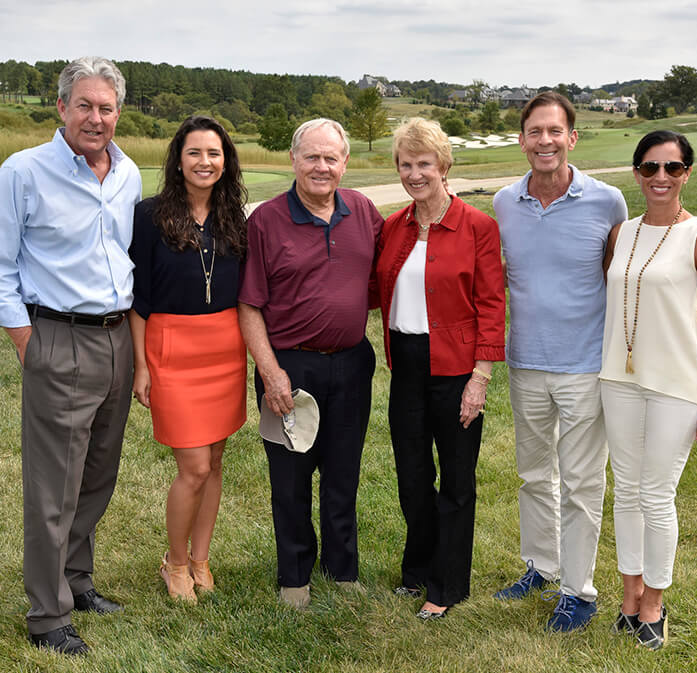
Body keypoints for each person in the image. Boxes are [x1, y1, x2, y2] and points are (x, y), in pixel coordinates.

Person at [0, 57, 140, 655]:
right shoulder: (24, 172)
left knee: (97, 474)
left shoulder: (128, 175)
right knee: (54, 486)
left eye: (106, 107)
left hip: (117, 338)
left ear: (118, 112)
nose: (96, 118)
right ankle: (48, 616)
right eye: (85, 106)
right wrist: (30, 345)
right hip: (57, 338)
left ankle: (77, 582)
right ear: (62, 107)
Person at [492, 92, 628, 631]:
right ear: (522, 139)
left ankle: (580, 590)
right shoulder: (505, 203)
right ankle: (541, 567)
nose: (544, 141)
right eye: (534, 132)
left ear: (572, 138)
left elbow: (617, 280)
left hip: (583, 366)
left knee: (580, 482)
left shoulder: (608, 201)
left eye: (555, 132)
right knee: (532, 475)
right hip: (525, 361)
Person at [238, 118, 383, 609]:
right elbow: (249, 305)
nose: (322, 167)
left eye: (331, 158)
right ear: (293, 161)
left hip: (352, 363)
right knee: (292, 477)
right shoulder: (266, 220)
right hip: (291, 369)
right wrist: (270, 372)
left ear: (344, 163)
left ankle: (342, 570)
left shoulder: (363, 211)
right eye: (312, 157)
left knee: (343, 474)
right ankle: (295, 576)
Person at [600, 130, 697, 650]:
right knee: (626, 492)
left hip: (678, 383)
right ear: (636, 173)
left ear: (687, 174)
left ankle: (654, 603)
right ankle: (629, 596)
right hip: (619, 378)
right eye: (650, 167)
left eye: (672, 168)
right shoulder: (621, 234)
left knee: (657, 494)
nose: (660, 177)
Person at [374, 118, 505, 620]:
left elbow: (492, 305)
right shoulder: (394, 227)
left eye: (423, 164)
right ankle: (418, 567)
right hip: (406, 365)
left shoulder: (478, 227)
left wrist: (481, 377)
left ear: (444, 166)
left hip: (456, 371)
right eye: (405, 165)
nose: (414, 173)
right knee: (411, 476)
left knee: (455, 480)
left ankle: (446, 585)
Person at [128, 116, 248, 603]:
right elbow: (138, 299)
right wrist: (141, 365)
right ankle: (174, 563)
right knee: (194, 467)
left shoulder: (235, 217)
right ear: (179, 159)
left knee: (215, 460)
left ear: (226, 161)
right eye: (195, 152)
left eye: (214, 153)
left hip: (225, 349)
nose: (205, 162)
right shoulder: (150, 215)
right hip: (171, 348)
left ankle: (201, 557)